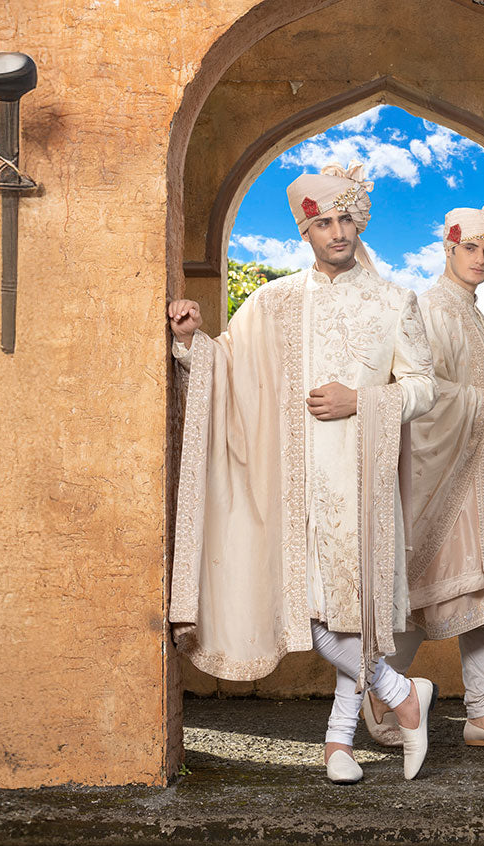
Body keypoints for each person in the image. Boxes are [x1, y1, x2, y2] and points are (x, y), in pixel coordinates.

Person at [166, 162, 439, 783]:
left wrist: (361, 400)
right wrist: (191, 344)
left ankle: (338, 744)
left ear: (360, 223)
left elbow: (424, 390)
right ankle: (400, 692)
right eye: (324, 222)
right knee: (313, 610)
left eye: (348, 219)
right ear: (305, 231)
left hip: (365, 483)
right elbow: (230, 369)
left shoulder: (397, 301)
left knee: (351, 611)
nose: (338, 232)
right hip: (292, 486)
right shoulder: (274, 303)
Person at [363, 204, 484, 751]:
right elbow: (423, 392)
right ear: (449, 247)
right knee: (427, 589)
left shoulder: (479, 318)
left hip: (482, 471)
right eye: (472, 249)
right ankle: (378, 694)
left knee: (482, 592)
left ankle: (481, 714)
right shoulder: (430, 308)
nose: (483, 261)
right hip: (446, 476)